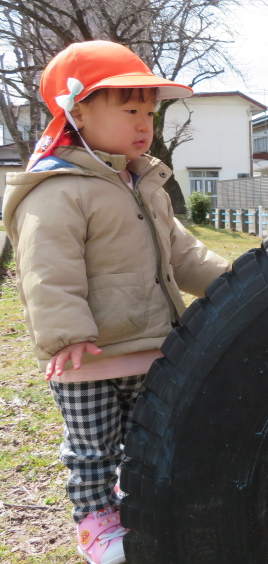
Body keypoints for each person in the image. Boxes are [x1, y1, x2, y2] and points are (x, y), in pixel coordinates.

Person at [2, 41, 230, 564]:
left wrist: (235, 280)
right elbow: (46, 269)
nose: (144, 123)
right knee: (92, 448)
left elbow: (182, 252)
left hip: (150, 346)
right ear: (76, 111)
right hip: (89, 356)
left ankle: (137, 508)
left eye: (149, 111)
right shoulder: (58, 189)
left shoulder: (142, 182)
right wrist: (67, 334)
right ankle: (95, 524)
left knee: (145, 439)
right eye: (129, 109)